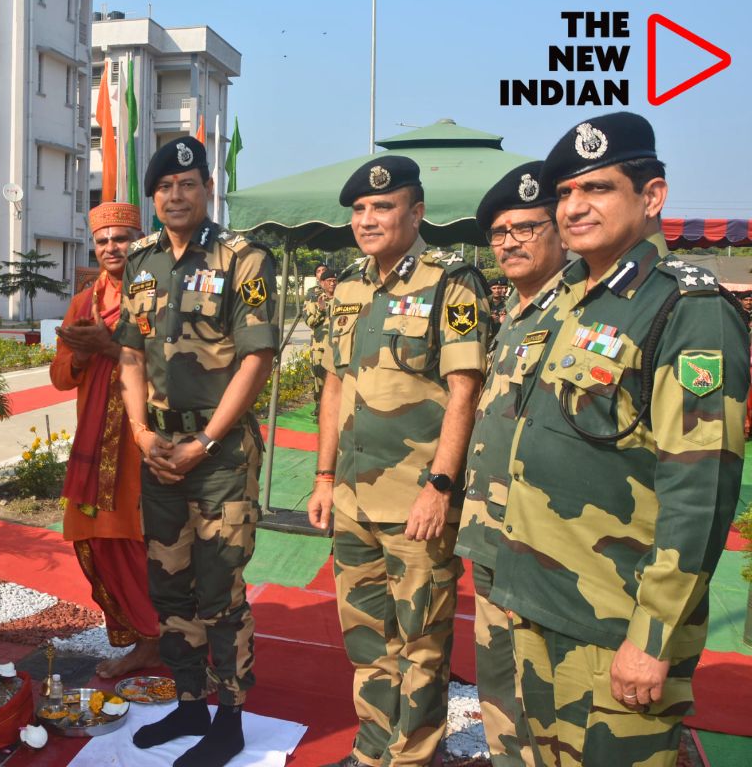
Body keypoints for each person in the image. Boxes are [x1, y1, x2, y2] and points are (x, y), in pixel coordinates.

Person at [491, 112, 749, 766]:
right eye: (566, 193)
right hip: (542, 609)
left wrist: (653, 638)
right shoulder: (570, 301)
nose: (575, 207)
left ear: (652, 196)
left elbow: (700, 491)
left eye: (598, 188)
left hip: (614, 630)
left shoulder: (686, 310)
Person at [308, 155, 489, 767]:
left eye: (382, 207)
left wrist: (440, 485)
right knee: (367, 640)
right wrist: (325, 476)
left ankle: (414, 758)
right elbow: (335, 384)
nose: (367, 219)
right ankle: (372, 749)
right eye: (359, 209)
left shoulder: (450, 283)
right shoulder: (350, 287)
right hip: (354, 502)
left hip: (416, 502)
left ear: (416, 214)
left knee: (421, 643)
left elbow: (465, 389)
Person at [114, 135, 278, 767]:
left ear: (207, 189)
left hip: (220, 453)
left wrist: (206, 440)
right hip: (158, 449)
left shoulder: (243, 259)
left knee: (219, 586)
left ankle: (230, 717)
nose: (174, 195)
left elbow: (256, 356)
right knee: (170, 582)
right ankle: (188, 701)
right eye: (163, 188)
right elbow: (130, 353)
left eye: (186, 185)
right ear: (153, 197)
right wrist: (141, 435)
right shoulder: (143, 260)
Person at [455, 162, 567, 767]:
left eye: (527, 227)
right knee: (499, 691)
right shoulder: (519, 315)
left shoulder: (576, 315)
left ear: (559, 231)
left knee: (545, 704)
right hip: (494, 538)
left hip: (542, 549)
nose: (510, 243)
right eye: (500, 233)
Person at [50, 201, 161, 678]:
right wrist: (78, 356)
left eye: (122, 238)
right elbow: (59, 377)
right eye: (103, 240)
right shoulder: (83, 303)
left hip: (145, 442)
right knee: (95, 541)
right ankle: (142, 637)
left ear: (141, 240)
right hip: (95, 445)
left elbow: (177, 369)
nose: (112, 247)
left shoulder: (159, 294)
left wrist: (110, 348)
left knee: (143, 544)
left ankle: (165, 639)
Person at [305, 267, 338, 414]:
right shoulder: (316, 300)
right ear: (322, 283)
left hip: (336, 345)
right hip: (319, 345)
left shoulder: (342, 299)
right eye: (329, 281)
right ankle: (319, 406)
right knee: (318, 377)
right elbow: (310, 322)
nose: (332, 284)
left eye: (334, 281)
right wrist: (321, 309)